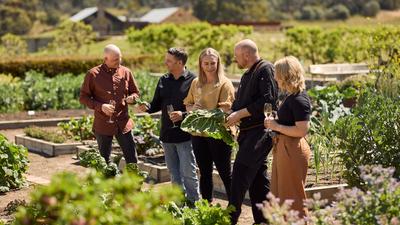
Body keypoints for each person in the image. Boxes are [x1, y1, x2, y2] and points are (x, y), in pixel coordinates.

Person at [225, 39, 278, 224]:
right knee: (258, 181)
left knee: (239, 175)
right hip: (248, 133)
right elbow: (242, 103)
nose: (235, 59)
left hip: (260, 133)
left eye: (237, 56)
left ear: (246, 55)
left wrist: (239, 113)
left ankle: (229, 219)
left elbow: (268, 102)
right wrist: (230, 112)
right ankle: (264, 220)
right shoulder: (248, 74)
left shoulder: (265, 69)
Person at [138, 47, 200, 204]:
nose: (165, 63)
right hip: (167, 134)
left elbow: (200, 108)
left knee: (188, 172)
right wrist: (147, 107)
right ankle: (179, 202)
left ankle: (194, 202)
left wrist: (183, 115)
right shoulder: (163, 80)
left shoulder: (194, 80)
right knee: (173, 173)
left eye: (169, 61)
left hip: (186, 134)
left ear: (180, 62)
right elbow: (156, 104)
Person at [184, 48, 235, 203]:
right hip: (199, 134)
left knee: (225, 172)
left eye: (213, 63)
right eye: (206, 63)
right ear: (201, 64)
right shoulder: (195, 82)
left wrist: (204, 113)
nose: (209, 66)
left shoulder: (225, 84)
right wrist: (193, 109)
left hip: (219, 133)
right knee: (204, 172)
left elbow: (225, 109)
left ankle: (234, 205)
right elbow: (188, 104)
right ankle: (207, 204)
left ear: (218, 63)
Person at [264, 56, 312, 218]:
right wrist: (276, 120)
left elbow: (301, 130)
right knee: (281, 193)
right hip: (285, 146)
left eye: (276, 74)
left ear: (285, 75)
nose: (275, 78)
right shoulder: (292, 96)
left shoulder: (299, 99)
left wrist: (276, 126)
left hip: (292, 148)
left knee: (292, 196)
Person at [79, 44, 139, 164]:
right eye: (115, 60)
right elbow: (83, 98)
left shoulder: (126, 72)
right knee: (104, 161)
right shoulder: (93, 74)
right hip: (103, 123)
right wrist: (100, 106)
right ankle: (107, 182)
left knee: (132, 159)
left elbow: (135, 93)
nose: (119, 61)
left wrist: (133, 98)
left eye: (120, 58)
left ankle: (134, 182)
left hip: (123, 122)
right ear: (105, 59)